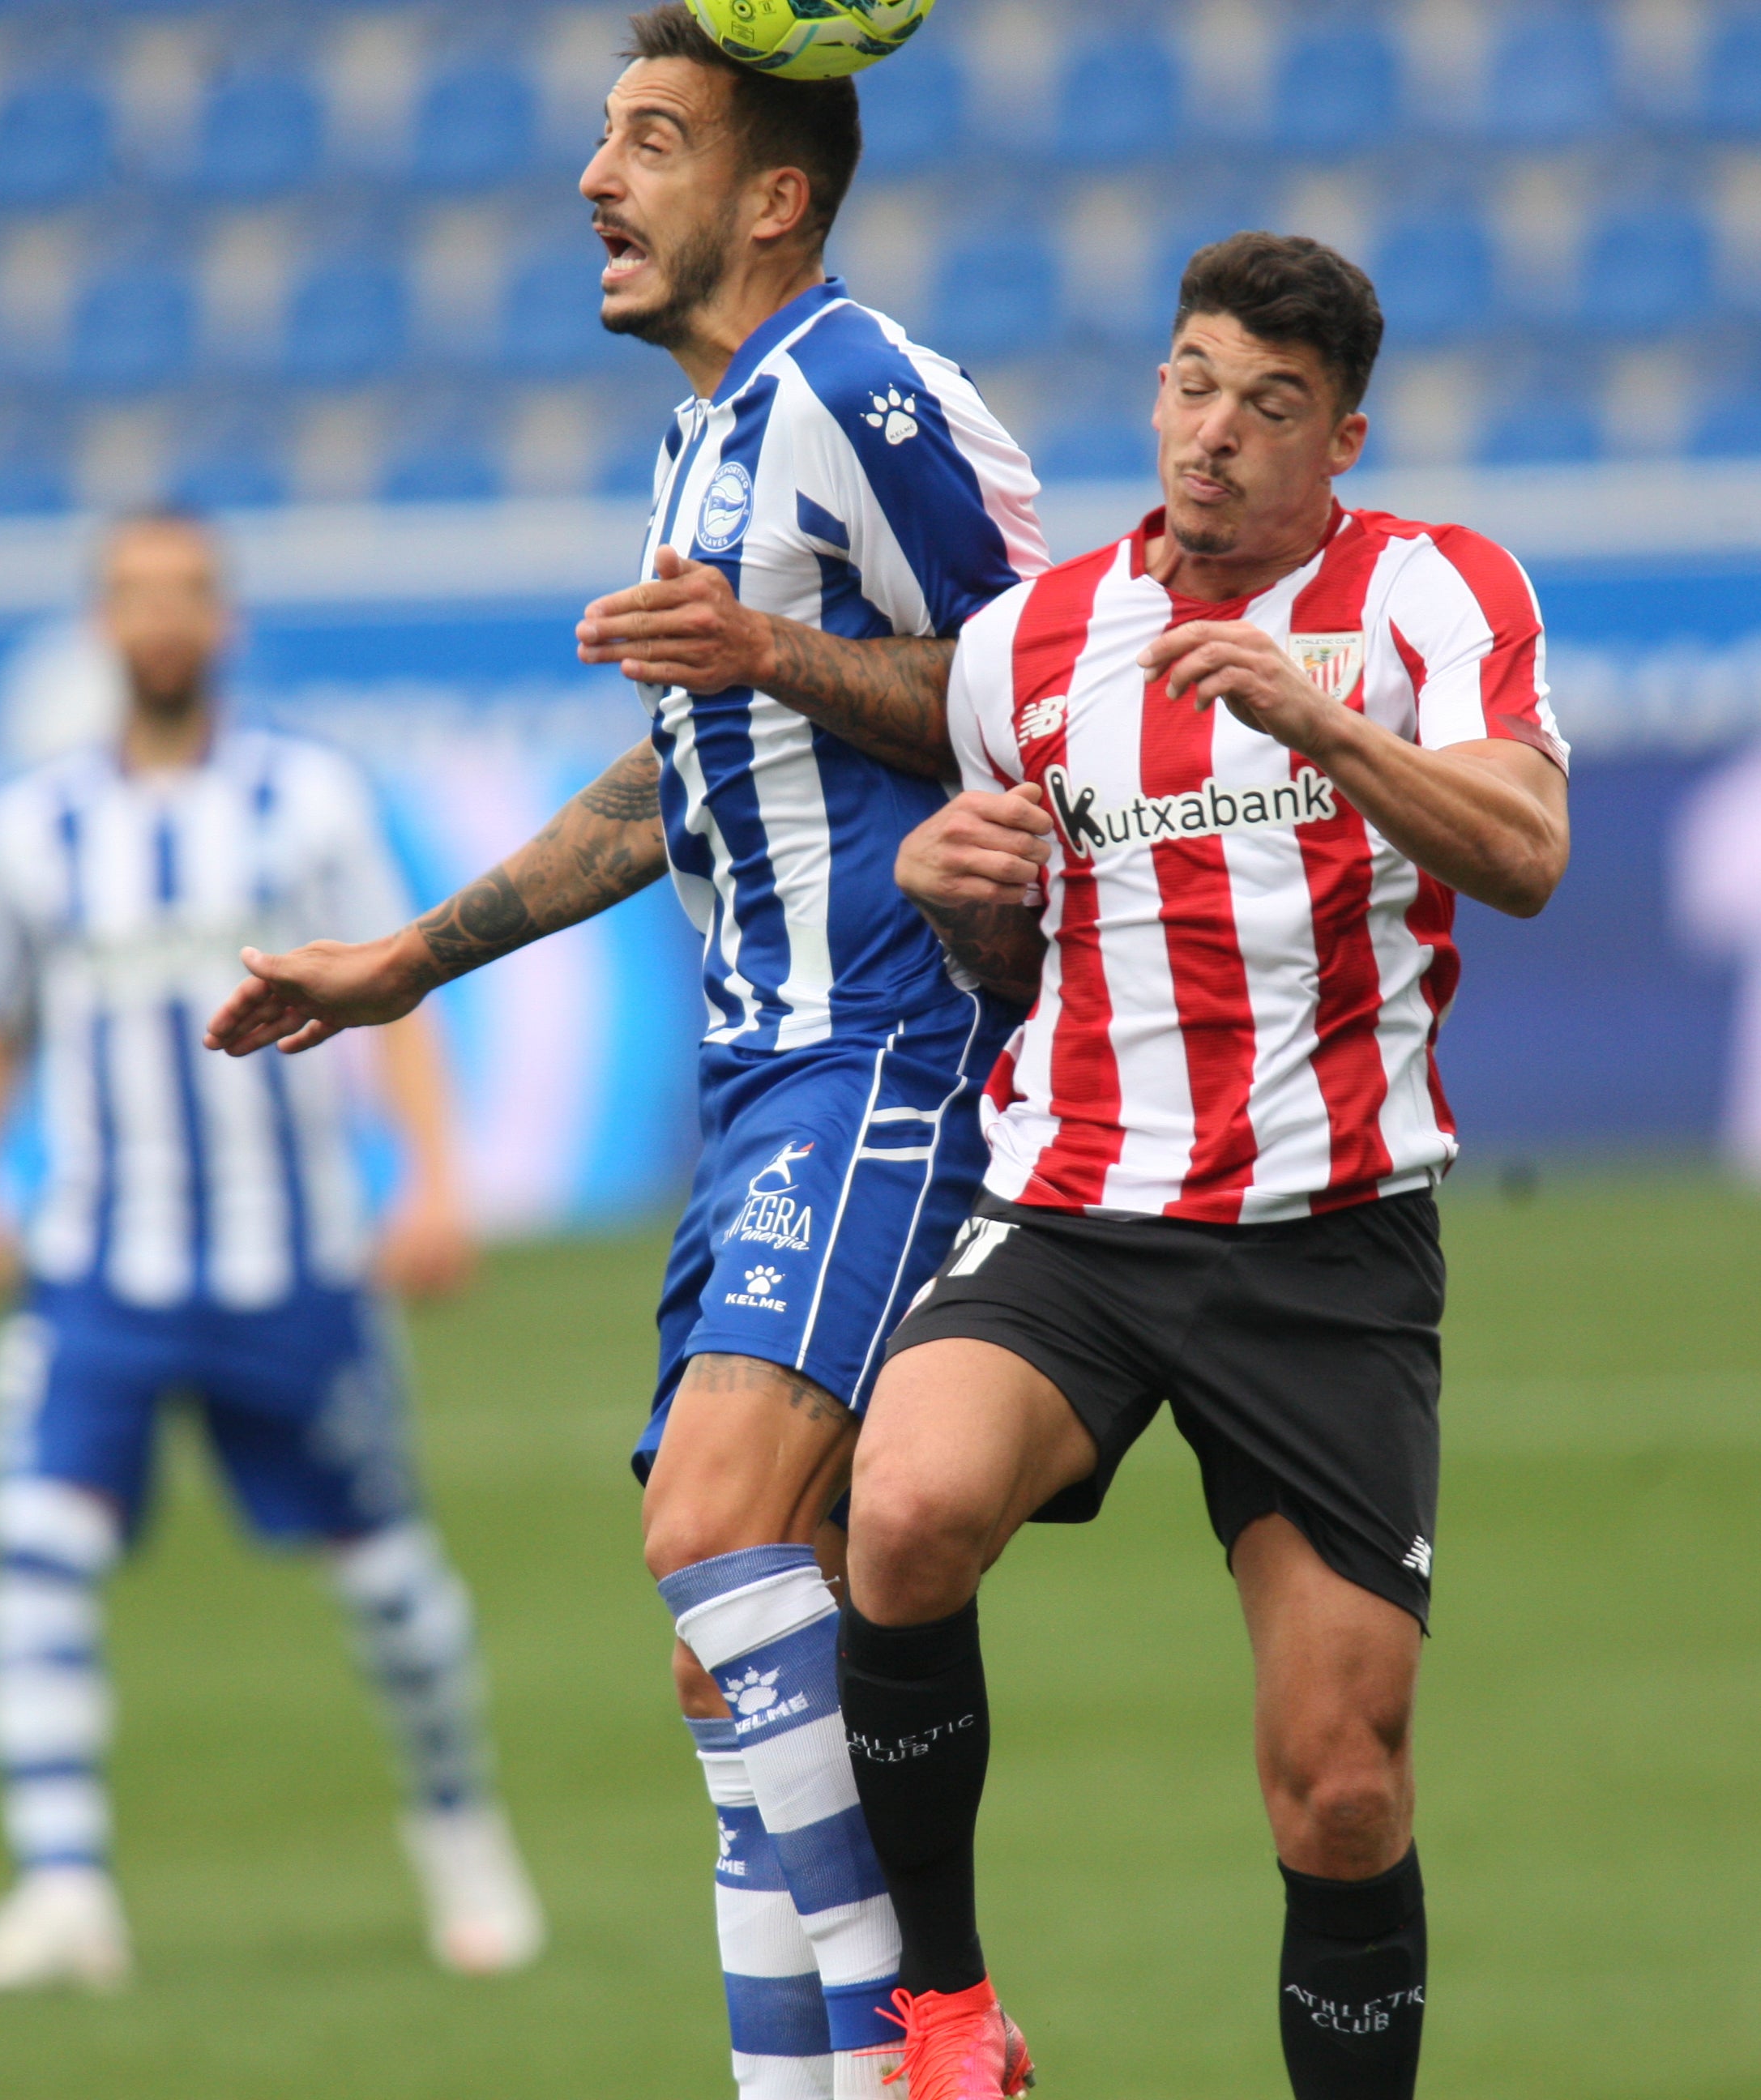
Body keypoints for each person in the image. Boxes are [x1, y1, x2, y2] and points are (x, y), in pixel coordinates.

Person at [203, 11, 1044, 2094]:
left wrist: (767, 648)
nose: (596, 175)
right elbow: (691, 766)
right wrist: (416, 955)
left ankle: (922, 2036)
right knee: (751, 1618)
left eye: (650, 138)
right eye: (604, 136)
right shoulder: (713, 428)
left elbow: (1045, 689)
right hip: (762, 1077)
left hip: (889, 1047)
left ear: (772, 195)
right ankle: (823, 2076)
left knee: (714, 1530)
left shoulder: (855, 386)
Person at [838, 233, 1575, 2100]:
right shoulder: (1030, 647)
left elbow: (1527, 849)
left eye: (1270, 405)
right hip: (1077, 1213)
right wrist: (956, 899)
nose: (1214, 434)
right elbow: (1015, 953)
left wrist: (1322, 720)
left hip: (1322, 1246)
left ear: (1341, 436)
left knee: (1340, 1783)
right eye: (1189, 383)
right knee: (905, 1514)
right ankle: (945, 2013)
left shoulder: (1429, 591)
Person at [0, 510, 542, 1999]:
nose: (162, 619)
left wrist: (436, 1184)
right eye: (134, 595)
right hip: (98, 1273)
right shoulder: (31, 829)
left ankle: (462, 1832)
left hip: (295, 1270)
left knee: (393, 1585)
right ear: (100, 624)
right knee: (36, 1563)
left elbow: (400, 997)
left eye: (187, 593)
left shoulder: (306, 802)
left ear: (227, 620)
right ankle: (63, 1885)